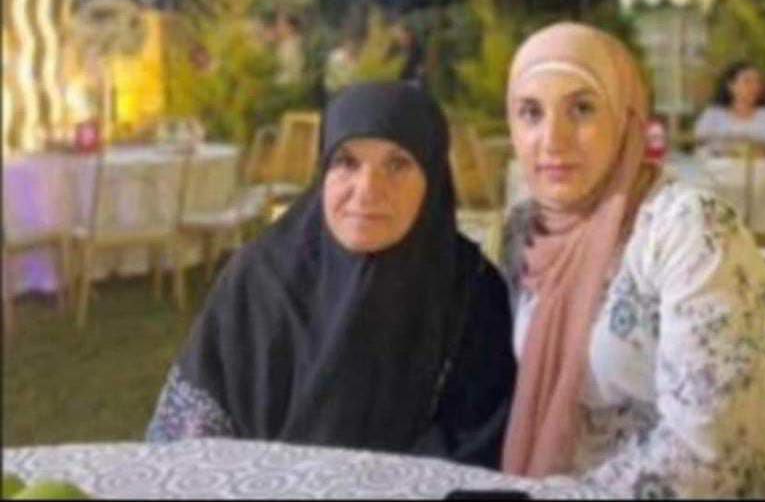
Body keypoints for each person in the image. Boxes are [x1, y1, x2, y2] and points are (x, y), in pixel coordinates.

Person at [500, 22, 765, 499]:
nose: (553, 140)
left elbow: (709, 451)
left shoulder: (689, 228)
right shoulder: (527, 230)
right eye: (530, 112)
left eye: (582, 109)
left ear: (627, 119)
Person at [146, 82, 516, 467]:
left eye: (397, 165)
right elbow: (191, 426)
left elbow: (478, 442)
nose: (367, 189)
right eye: (347, 163)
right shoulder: (261, 277)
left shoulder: (473, 291)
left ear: (433, 180)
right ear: (323, 172)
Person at [693, 61, 765, 151]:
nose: (754, 87)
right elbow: (698, 147)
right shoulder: (713, 116)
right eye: (747, 81)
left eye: (757, 82)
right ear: (731, 86)